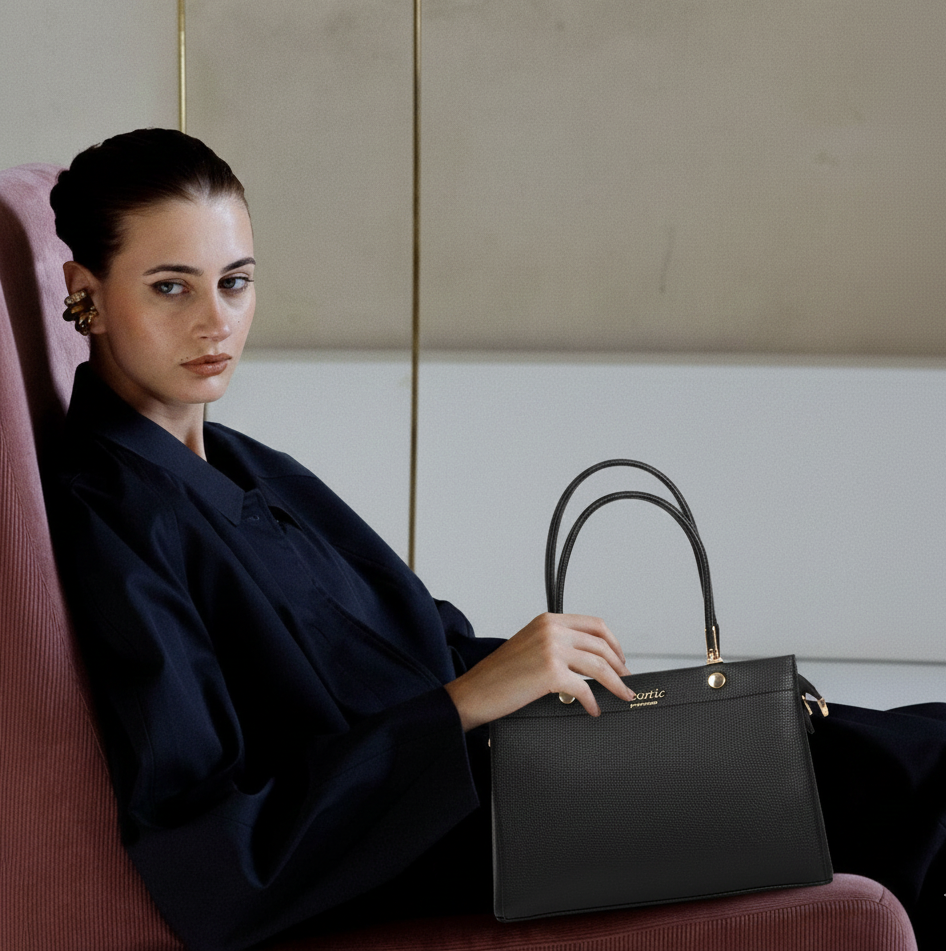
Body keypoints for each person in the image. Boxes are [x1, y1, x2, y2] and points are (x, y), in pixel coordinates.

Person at [43, 129, 945, 951]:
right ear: (87, 295)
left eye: (235, 281)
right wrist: (466, 703)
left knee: (875, 743)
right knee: (909, 777)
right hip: (442, 839)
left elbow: (406, 639)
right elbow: (216, 853)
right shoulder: (113, 514)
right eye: (172, 287)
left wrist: (531, 683)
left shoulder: (237, 461)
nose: (217, 323)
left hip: (498, 782)